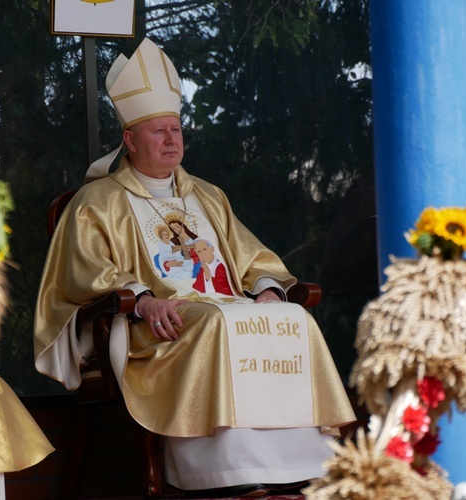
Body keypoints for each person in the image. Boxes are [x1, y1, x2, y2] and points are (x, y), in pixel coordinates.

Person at [34, 37, 355, 496]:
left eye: (177, 129)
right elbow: (84, 270)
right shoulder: (97, 201)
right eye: (159, 131)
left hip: (220, 307)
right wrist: (143, 302)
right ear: (129, 139)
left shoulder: (207, 195)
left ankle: (305, 467)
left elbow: (252, 256)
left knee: (292, 317)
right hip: (159, 327)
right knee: (214, 323)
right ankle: (226, 474)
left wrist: (267, 288)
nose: (172, 139)